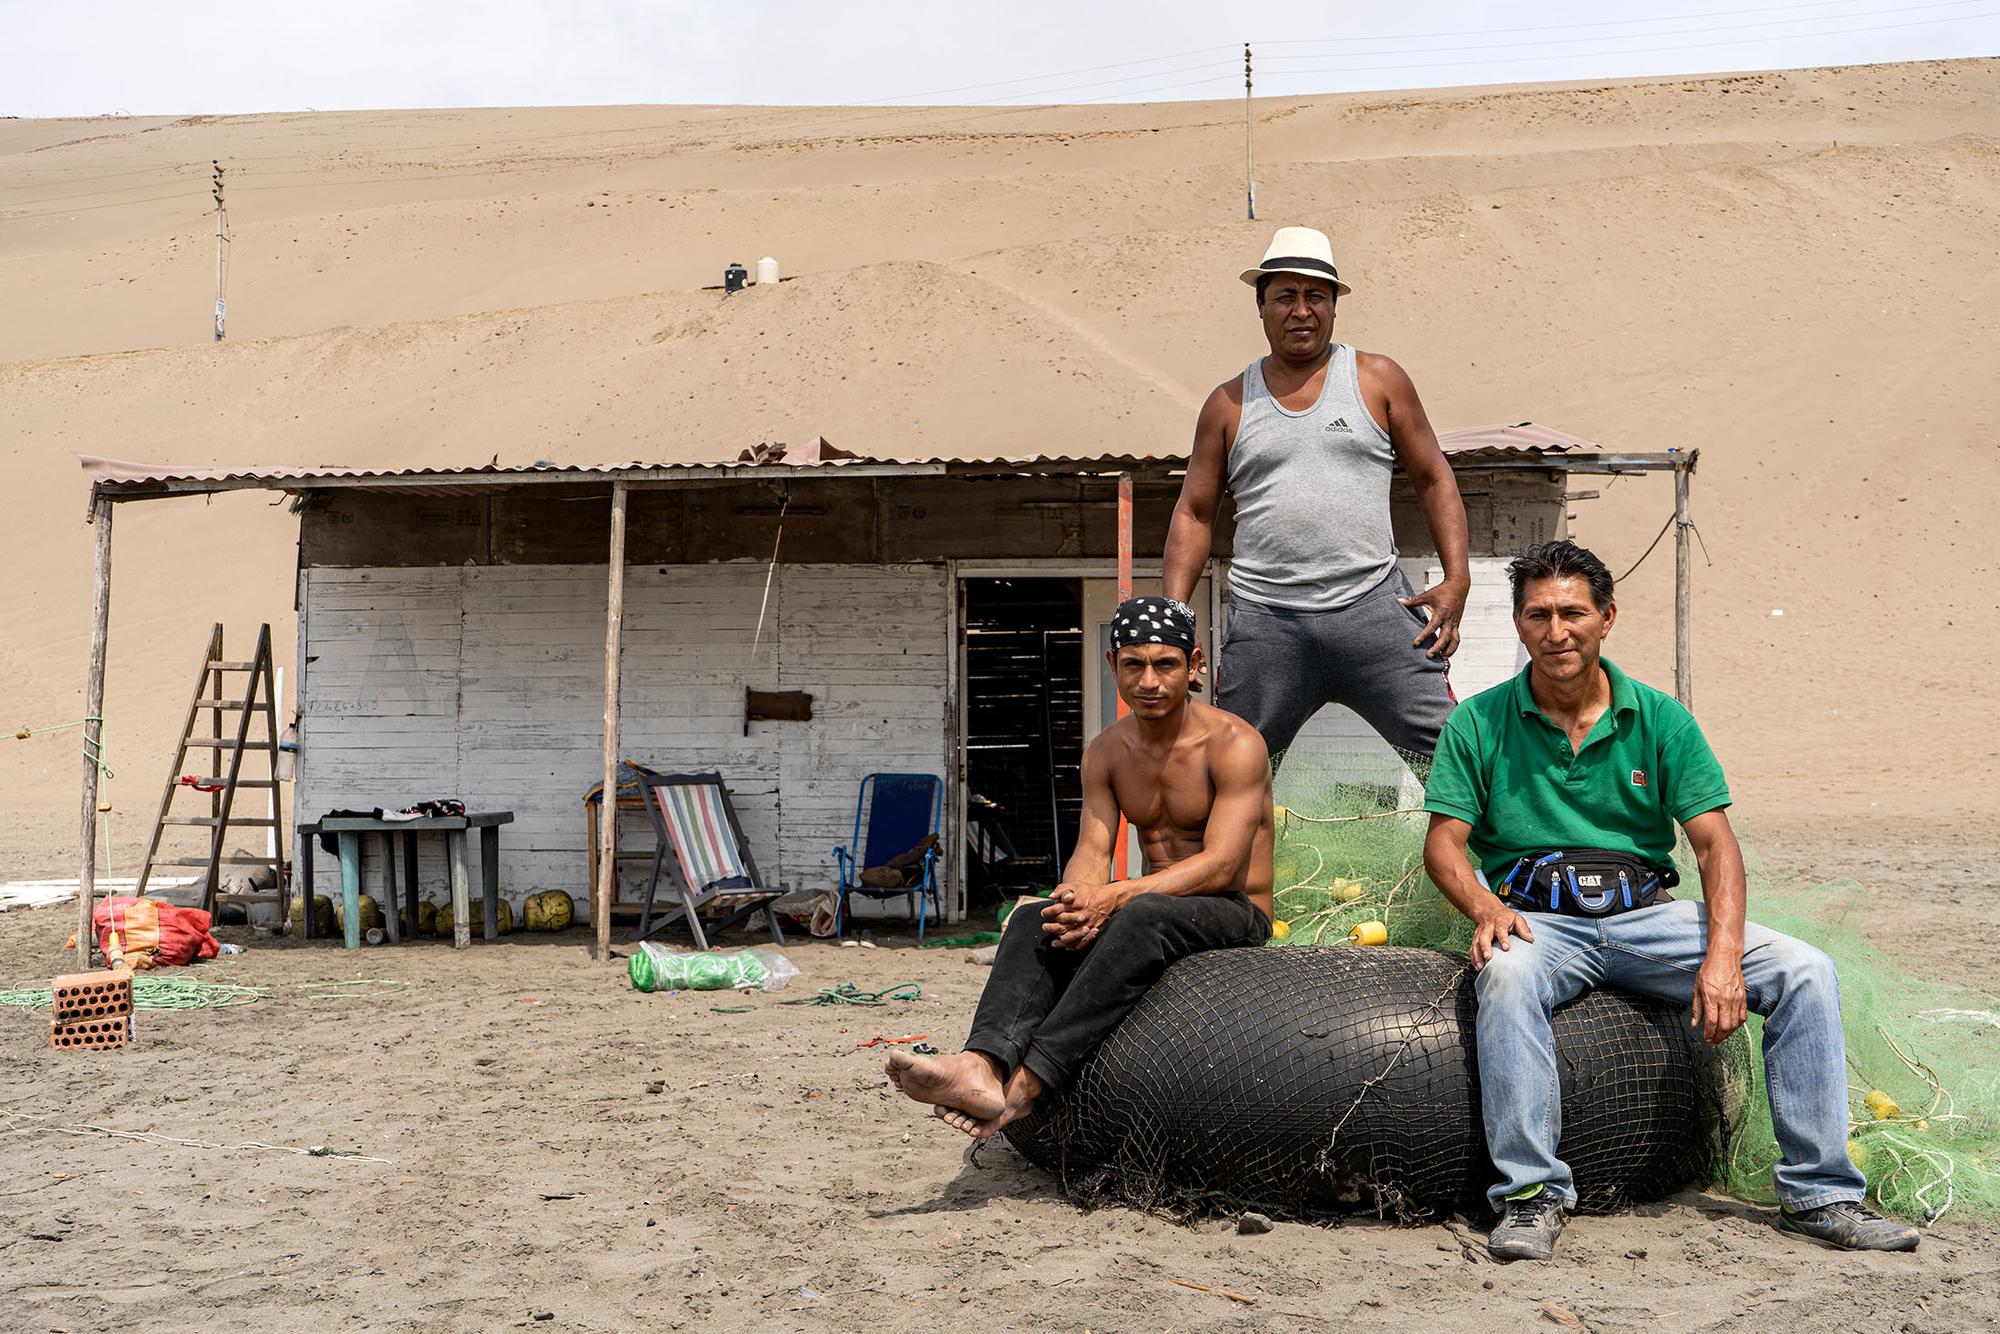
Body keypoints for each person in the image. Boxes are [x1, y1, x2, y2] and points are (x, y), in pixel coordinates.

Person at [1422, 540, 1919, 1261]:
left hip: (1649, 919)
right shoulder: (1478, 722)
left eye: (1573, 613)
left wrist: (1723, 958)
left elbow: (1716, 847)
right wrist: (1487, 910)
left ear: (1607, 618)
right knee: (1504, 976)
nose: (1556, 632)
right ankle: (1531, 1197)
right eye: (1538, 615)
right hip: (1539, 922)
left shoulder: (1661, 719)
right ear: (1520, 625)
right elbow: (1444, 845)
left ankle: (1820, 1195)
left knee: (1805, 970)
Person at [887, 596, 1274, 1138]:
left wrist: (1113, 897)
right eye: (1134, 664)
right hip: (1151, 904)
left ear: (1195, 664)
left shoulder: (1235, 743)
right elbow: (1093, 849)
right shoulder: (1106, 751)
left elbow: (1223, 866)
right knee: (1035, 918)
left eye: (1165, 664)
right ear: (1113, 665)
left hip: (1232, 909)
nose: (1149, 681)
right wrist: (1073, 902)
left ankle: (1027, 1083)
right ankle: (981, 1065)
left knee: (1142, 913)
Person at [1163, 225, 1470, 772]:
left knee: (1453, 760)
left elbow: (1434, 478)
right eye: (1285, 296)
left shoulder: (1378, 380)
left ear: (1333, 305)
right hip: (1266, 622)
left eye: (1316, 296)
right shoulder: (1228, 404)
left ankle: (1500, 835)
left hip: (1374, 608)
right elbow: (1194, 512)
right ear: (1261, 306)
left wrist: (1457, 577)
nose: (1301, 311)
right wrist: (1176, 619)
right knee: (1233, 773)